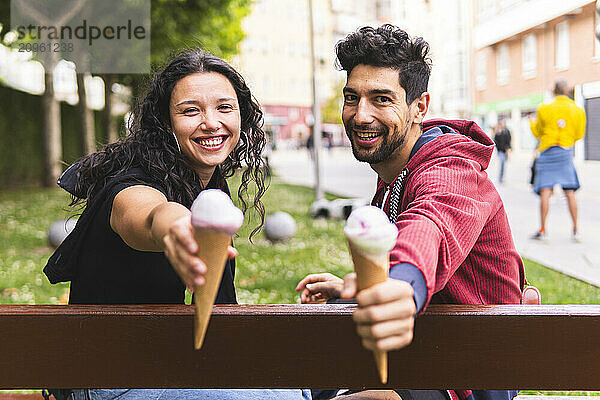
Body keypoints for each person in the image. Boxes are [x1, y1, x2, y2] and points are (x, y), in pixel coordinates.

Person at [44, 48, 310, 400]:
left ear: (242, 116)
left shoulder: (209, 184)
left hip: (160, 366)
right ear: (165, 123)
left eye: (224, 107)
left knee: (320, 380)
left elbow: (219, 314)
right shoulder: (132, 184)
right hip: (107, 382)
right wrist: (175, 228)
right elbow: (148, 213)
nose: (211, 122)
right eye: (190, 111)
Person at [296, 25, 525, 400]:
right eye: (351, 97)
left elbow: (428, 228)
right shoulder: (395, 173)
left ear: (419, 107)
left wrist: (402, 286)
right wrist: (361, 288)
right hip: (423, 354)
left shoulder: (451, 170)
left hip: (466, 373)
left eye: (381, 99)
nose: (360, 115)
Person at [529, 79, 586, 242]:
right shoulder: (577, 110)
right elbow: (579, 135)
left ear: (553, 90)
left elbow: (538, 133)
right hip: (565, 152)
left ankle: (542, 230)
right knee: (570, 192)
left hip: (547, 153)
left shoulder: (544, 108)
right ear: (567, 90)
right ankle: (576, 230)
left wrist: (532, 123)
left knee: (545, 192)